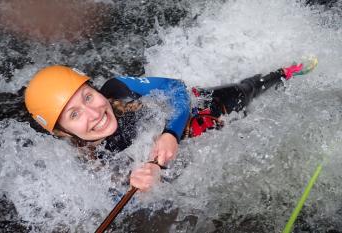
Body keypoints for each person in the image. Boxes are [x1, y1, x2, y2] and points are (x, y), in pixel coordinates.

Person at [24, 57, 318, 192]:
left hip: (202, 110)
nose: (94, 113)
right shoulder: (93, 161)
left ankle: (285, 73)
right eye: (74, 115)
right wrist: (141, 183)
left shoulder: (119, 88)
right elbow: (123, 187)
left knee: (245, 91)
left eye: (88, 96)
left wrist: (169, 133)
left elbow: (177, 88)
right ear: (63, 132)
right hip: (197, 150)